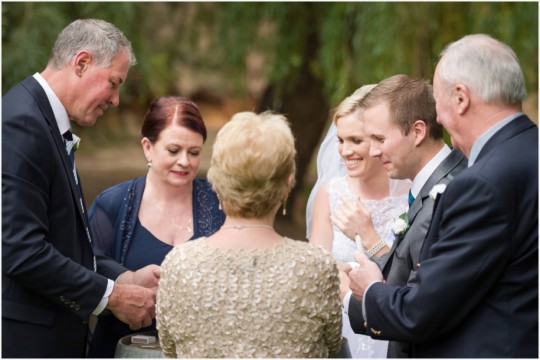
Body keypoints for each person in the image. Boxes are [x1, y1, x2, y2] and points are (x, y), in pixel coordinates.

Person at [347, 34, 538, 357]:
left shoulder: (481, 184)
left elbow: (422, 311)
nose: (437, 119)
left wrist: (370, 289)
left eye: (438, 103)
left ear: (460, 98)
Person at [2, 19, 158, 358]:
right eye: (114, 84)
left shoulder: (41, 119)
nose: (116, 100)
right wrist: (112, 297)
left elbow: (61, 242)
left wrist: (124, 278)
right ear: (82, 63)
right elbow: (21, 251)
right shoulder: (23, 124)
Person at [156, 111, 343, 358]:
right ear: (288, 183)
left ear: (217, 182)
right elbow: (332, 346)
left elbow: (170, 349)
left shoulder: (179, 263)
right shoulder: (316, 267)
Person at [338, 74, 467, 358]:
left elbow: (422, 308)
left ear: (418, 131)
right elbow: (412, 272)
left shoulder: (452, 194)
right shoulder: (429, 187)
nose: (372, 151)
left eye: (379, 138)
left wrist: (352, 295)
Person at [86, 96, 225, 357]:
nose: (184, 161)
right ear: (148, 147)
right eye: (174, 151)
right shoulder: (112, 205)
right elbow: (86, 263)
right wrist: (126, 278)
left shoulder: (220, 204)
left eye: (194, 152)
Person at [309, 85, 410, 358]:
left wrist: (368, 235)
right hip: (342, 329)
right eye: (341, 140)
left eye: (355, 140)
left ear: (379, 141)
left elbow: (413, 278)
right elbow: (314, 271)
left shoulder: (411, 195)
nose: (345, 151)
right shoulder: (330, 194)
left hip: (395, 327)